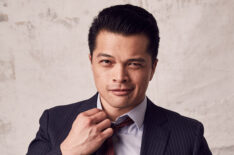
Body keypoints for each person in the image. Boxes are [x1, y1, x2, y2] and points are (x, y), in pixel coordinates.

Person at [27, 4, 212, 155]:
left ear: (153, 68)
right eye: (107, 62)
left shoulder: (189, 135)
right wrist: (68, 152)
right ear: (92, 63)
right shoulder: (54, 122)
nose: (120, 77)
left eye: (134, 64)